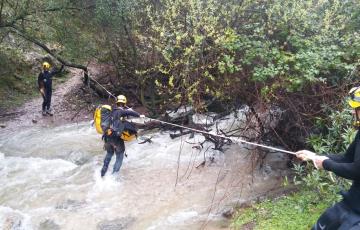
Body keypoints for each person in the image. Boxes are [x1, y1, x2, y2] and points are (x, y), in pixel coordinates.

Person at [296, 86, 360, 230]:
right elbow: (347, 158)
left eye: (356, 108)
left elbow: (357, 170)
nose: (353, 112)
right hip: (351, 204)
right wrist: (315, 157)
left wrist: (326, 164)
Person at [101, 94, 145, 177]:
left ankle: (103, 173)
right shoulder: (120, 111)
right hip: (116, 139)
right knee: (119, 157)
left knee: (109, 154)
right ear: (124, 104)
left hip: (107, 137)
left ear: (117, 103)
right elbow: (129, 112)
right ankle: (113, 177)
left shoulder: (111, 111)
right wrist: (140, 115)